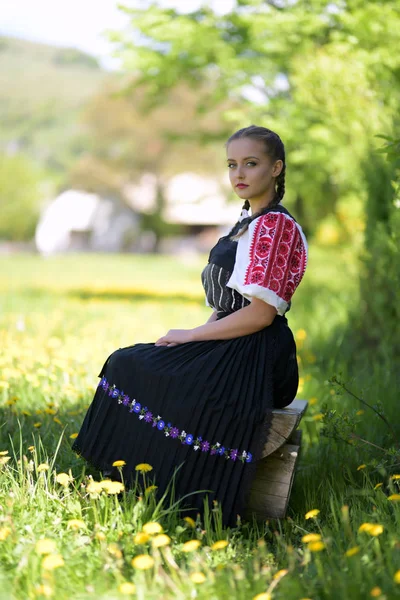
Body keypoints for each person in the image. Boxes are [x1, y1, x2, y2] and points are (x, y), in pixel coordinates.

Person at [72, 125, 308, 526]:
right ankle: (133, 481)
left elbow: (260, 314)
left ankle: (165, 487)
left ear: (276, 168)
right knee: (134, 362)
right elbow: (224, 305)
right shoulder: (246, 222)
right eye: (232, 164)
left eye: (251, 164)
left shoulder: (275, 227)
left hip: (259, 352)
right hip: (234, 339)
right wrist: (191, 343)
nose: (240, 174)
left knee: (129, 366)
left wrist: (192, 337)